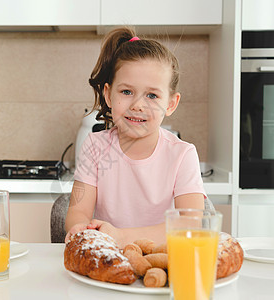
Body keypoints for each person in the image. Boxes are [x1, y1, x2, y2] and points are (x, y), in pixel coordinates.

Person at [65, 27, 206, 248]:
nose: (137, 105)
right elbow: (78, 212)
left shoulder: (182, 154)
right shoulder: (95, 145)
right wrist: (80, 228)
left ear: (171, 104)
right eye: (127, 92)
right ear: (108, 95)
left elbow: (189, 225)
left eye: (152, 95)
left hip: (162, 262)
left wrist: (120, 237)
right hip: (109, 257)